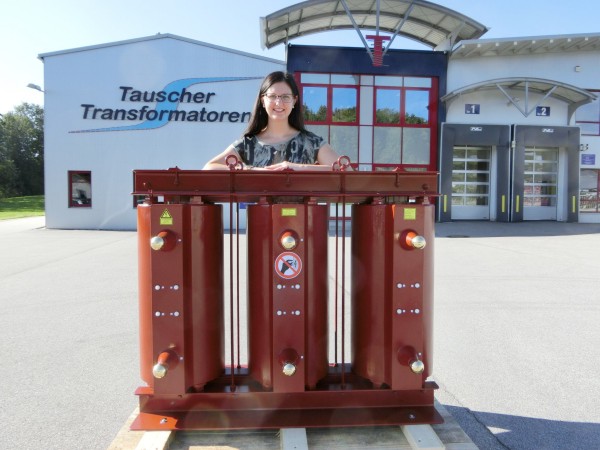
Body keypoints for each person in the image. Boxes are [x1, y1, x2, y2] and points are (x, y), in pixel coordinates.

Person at [203, 71, 344, 171]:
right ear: (262, 100)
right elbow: (209, 168)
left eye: (285, 97)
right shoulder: (248, 144)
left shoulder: (311, 142)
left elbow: (346, 170)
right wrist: (253, 171)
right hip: (259, 214)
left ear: (294, 101)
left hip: (303, 214)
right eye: (272, 96)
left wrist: (298, 168)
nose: (278, 103)